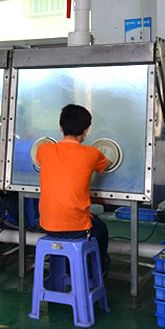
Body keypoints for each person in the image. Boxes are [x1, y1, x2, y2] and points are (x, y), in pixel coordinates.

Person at [36, 104, 111, 273]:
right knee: (101, 229)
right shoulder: (92, 153)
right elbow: (107, 164)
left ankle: (66, 270)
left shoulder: (44, 149)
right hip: (77, 227)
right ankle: (98, 270)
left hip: (48, 224)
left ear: (61, 127)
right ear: (86, 130)